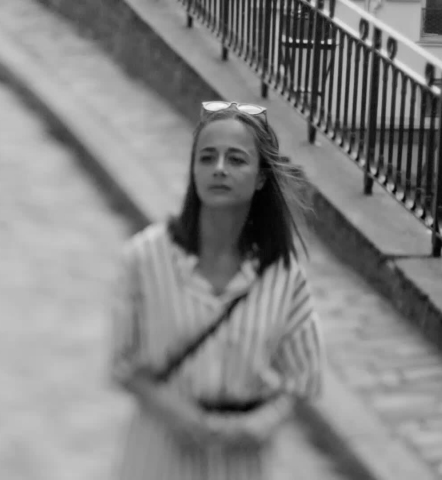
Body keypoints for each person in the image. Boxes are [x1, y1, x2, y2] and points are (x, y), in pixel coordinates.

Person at [109, 101, 325, 480]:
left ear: (261, 177)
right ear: (193, 170)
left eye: (236, 159)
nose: (219, 168)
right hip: (158, 456)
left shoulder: (284, 277)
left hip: (240, 463)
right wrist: (174, 414)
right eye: (207, 158)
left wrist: (261, 424)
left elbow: (301, 378)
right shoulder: (145, 257)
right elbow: (123, 362)